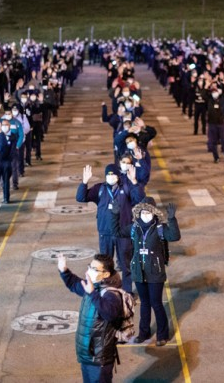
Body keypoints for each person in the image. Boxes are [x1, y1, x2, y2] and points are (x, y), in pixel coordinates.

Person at [113, 199, 180, 347]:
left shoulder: (160, 228)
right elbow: (116, 232)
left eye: (148, 212)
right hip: (139, 272)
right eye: (143, 212)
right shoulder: (134, 228)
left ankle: (163, 334)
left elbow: (174, 236)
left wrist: (172, 219)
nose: (145, 215)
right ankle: (144, 333)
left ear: (153, 212)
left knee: (156, 303)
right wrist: (115, 215)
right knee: (144, 304)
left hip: (155, 272)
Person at [77, 164, 145, 294]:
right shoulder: (100, 189)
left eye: (113, 174)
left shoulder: (126, 187)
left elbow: (140, 199)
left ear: (118, 176)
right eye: (108, 175)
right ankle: (107, 291)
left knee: (126, 265)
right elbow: (81, 197)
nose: (110, 177)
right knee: (104, 265)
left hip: (122, 233)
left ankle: (126, 292)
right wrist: (84, 182)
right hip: (105, 233)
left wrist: (134, 182)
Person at [58, 253, 124, 383]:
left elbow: (109, 314)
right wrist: (64, 271)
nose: (89, 271)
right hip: (88, 354)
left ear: (105, 274)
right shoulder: (93, 287)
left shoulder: (111, 294)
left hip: (99, 358)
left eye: (94, 269)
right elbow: (75, 284)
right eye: (90, 266)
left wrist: (93, 293)